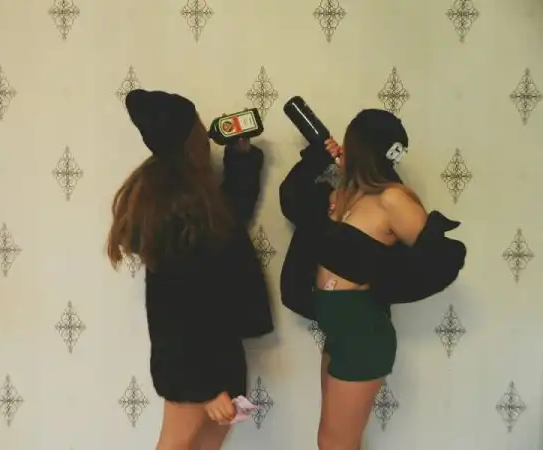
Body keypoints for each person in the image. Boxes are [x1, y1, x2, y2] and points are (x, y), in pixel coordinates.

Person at [279, 109, 467, 450]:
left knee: (333, 443)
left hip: (362, 334)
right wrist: (319, 158)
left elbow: (437, 259)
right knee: (337, 441)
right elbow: (292, 199)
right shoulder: (345, 195)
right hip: (338, 330)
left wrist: (383, 282)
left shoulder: (392, 198)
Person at [106, 89, 273, 450]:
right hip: (197, 367)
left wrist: (241, 155)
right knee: (176, 445)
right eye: (196, 126)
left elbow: (231, 218)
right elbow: (175, 310)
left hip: (217, 352)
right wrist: (207, 387)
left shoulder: (192, 195)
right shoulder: (176, 210)